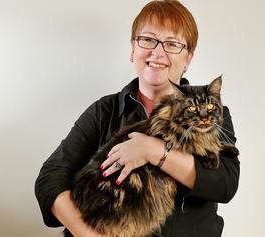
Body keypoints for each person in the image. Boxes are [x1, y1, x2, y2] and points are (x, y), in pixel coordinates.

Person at [35, 1, 240, 236]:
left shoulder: (215, 113)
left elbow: (225, 184)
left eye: (172, 44)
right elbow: (50, 179)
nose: (158, 52)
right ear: (133, 49)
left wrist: (154, 151)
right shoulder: (104, 111)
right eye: (148, 40)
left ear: (188, 59)